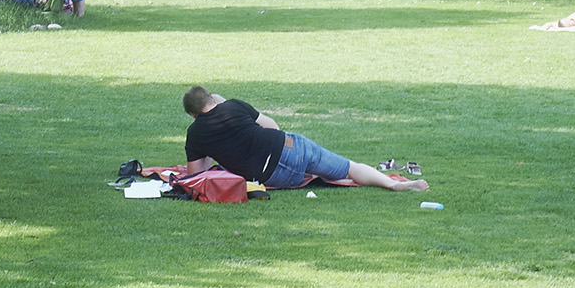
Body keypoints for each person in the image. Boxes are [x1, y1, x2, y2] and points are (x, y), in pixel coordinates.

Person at [179, 86, 429, 191]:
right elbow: (272, 126)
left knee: (327, 172)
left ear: (191, 114)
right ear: (212, 98)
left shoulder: (196, 133)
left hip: (274, 176)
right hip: (289, 147)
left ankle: (315, 174)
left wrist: (213, 149)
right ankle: (394, 185)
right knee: (348, 168)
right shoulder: (233, 106)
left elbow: (196, 174)